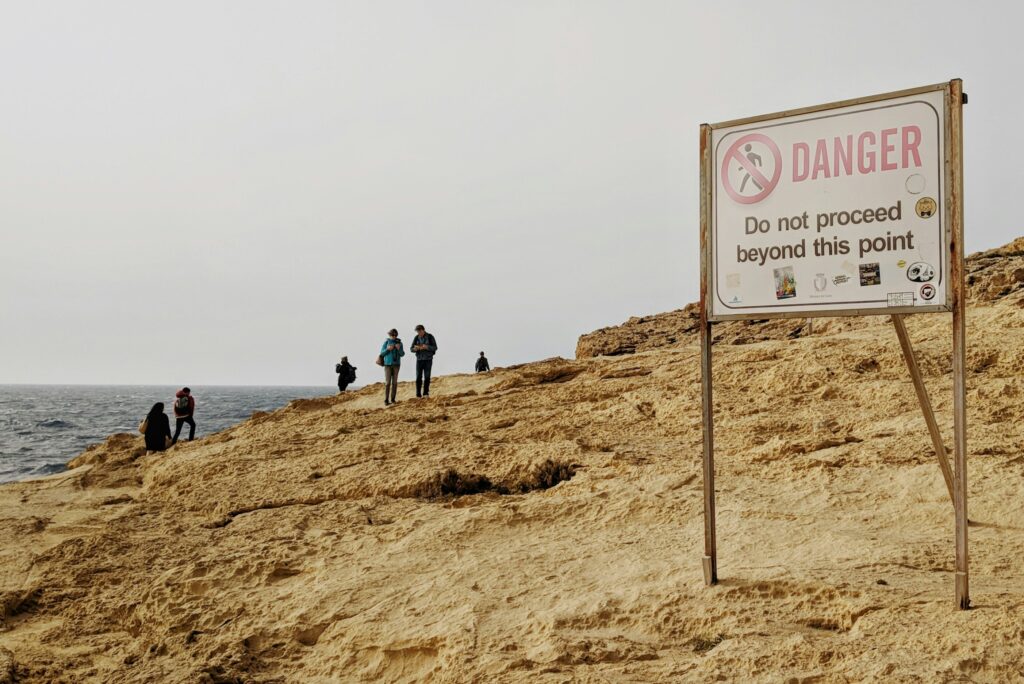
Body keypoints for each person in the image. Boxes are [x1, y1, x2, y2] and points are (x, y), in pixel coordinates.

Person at [410, 324, 438, 398]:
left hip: (428, 360)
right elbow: (411, 349)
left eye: (419, 331)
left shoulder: (430, 336)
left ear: (423, 330)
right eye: (417, 331)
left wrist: (426, 347)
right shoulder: (416, 338)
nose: (418, 333)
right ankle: (418, 394)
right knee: (418, 377)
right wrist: (415, 349)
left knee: (427, 377)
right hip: (419, 359)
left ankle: (426, 393)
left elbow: (435, 347)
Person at [380, 329, 404, 405]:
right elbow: (382, 354)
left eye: (395, 335)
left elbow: (402, 354)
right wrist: (388, 349)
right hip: (387, 365)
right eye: (392, 335)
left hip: (396, 365)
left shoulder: (400, 343)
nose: (394, 336)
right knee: (387, 383)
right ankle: (386, 400)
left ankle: (393, 399)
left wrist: (398, 348)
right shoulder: (386, 342)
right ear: (389, 335)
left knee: (394, 383)